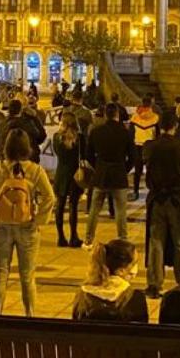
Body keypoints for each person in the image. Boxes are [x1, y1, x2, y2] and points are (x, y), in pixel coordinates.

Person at [0, 128, 55, 316]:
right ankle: (29, 315)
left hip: (2, 225)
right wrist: (39, 219)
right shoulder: (35, 170)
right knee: (27, 276)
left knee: (0, 274)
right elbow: (50, 197)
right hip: (27, 226)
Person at [141, 109, 180, 298]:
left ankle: (155, 283)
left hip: (157, 198)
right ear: (175, 126)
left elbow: (145, 161)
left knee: (156, 240)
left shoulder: (150, 146)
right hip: (177, 199)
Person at [84, 102, 133, 245]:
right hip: (118, 172)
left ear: (105, 115)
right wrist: (125, 168)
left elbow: (89, 154)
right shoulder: (125, 133)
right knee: (120, 210)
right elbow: (133, 156)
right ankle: (122, 238)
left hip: (101, 173)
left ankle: (88, 238)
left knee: (95, 209)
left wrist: (97, 166)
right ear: (117, 115)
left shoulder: (97, 132)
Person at [51, 110, 85, 247]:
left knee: (59, 205)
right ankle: (73, 236)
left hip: (61, 174)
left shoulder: (56, 138)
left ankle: (60, 236)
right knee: (73, 206)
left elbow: (57, 154)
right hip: (75, 175)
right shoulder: (80, 138)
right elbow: (84, 155)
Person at [128, 96, 159, 200]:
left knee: (137, 170)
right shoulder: (155, 118)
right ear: (151, 105)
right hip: (150, 146)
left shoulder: (135, 117)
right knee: (151, 170)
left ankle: (135, 191)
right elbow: (158, 134)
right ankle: (152, 190)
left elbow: (130, 134)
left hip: (137, 145)